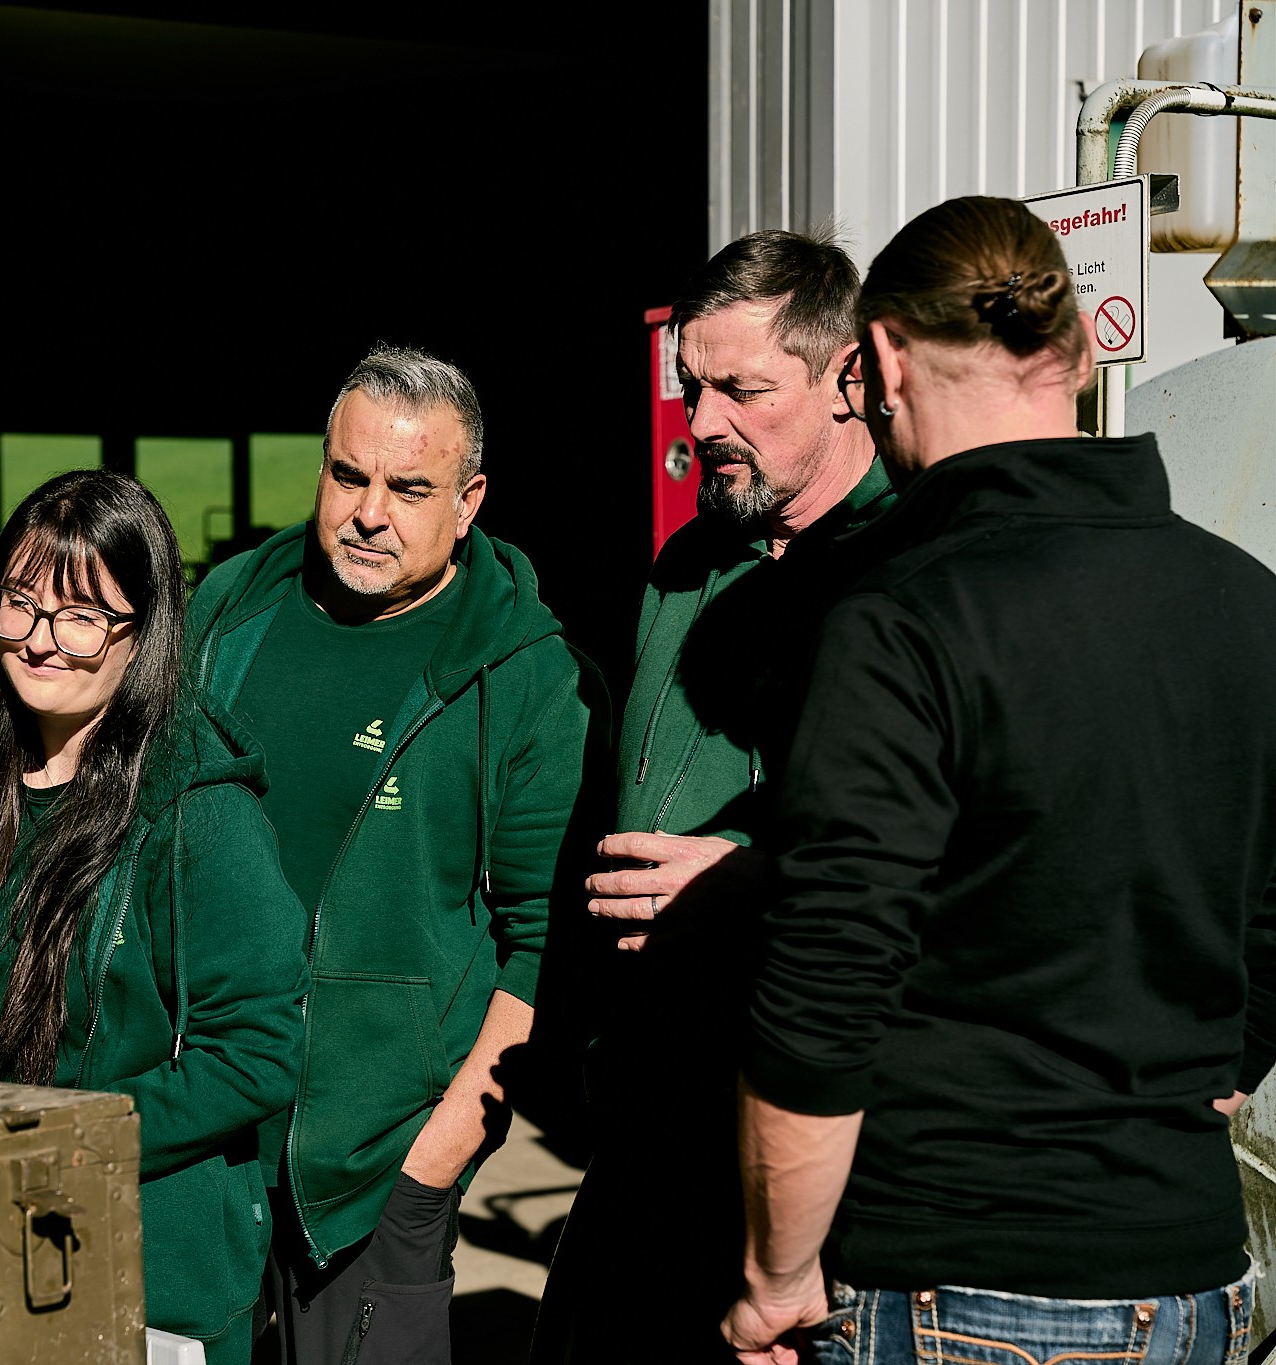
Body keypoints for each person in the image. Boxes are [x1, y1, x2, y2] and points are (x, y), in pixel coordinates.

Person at [722, 195, 1276, 1364]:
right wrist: (1220, 1067)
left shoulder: (903, 617)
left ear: (876, 359)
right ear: (1077, 355)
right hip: (1194, 1282)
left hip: (956, 1279)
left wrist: (776, 1275)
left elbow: (828, 974)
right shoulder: (1246, 602)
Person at [186, 345, 602, 1364]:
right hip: (201, 1141)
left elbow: (541, 946)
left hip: (374, 1169)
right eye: (348, 475)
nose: (368, 511)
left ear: (467, 502)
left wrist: (433, 1165)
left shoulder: (528, 673)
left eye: (408, 488)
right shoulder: (231, 606)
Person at [533, 231, 889, 1363]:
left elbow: (986, 854)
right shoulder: (685, 567)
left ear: (848, 381)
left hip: (811, 1157)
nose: (703, 422)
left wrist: (749, 878)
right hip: (644, 1124)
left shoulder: (915, 577)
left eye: (743, 389)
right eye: (693, 385)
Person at [0, 470, 307, 1364]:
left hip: (143, 1269)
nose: (40, 641)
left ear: (141, 633)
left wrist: (61, 1132)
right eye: (20, 604)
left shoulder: (199, 804)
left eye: (80, 616)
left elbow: (260, 1053)